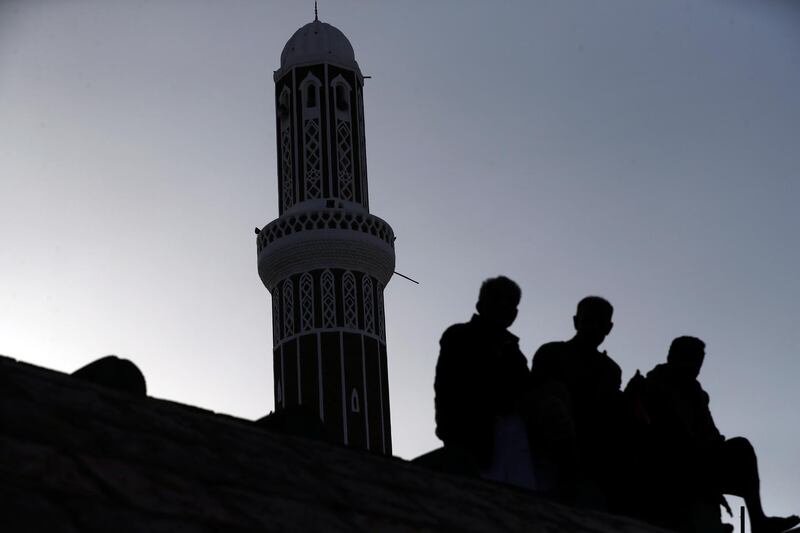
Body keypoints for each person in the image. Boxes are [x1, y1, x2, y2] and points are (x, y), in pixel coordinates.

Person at [643, 336, 799, 533]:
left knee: (741, 448)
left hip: (702, 460)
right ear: (673, 357)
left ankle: (758, 520)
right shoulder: (656, 385)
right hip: (672, 463)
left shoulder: (696, 392)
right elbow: (671, 434)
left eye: (699, 362)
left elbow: (710, 434)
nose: (696, 367)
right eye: (691, 359)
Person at [432, 276, 531, 486]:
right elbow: (447, 387)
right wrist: (450, 433)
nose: (504, 306)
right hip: (470, 436)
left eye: (510, 302)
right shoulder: (459, 336)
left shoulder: (515, 354)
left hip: (510, 443)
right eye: (497, 299)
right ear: (481, 305)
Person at [529, 296, 624, 507]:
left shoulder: (610, 370)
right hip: (547, 451)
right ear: (575, 322)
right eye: (588, 321)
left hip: (592, 458)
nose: (593, 328)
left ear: (609, 328)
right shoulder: (551, 352)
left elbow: (608, 414)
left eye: (600, 324)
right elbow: (536, 399)